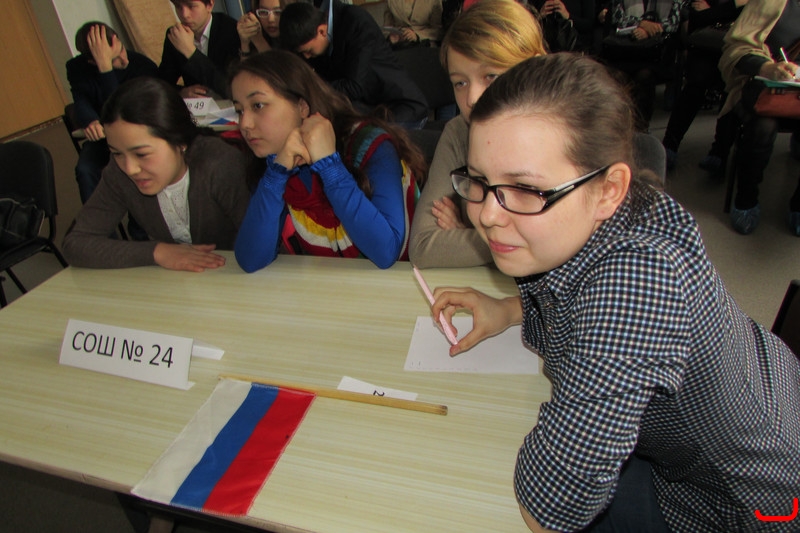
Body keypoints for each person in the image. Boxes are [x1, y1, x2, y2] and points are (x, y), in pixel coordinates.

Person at [426, 52, 800, 532]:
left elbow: (552, 507)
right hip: (762, 399)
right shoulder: (602, 212)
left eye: (524, 188)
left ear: (608, 189)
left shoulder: (638, 283)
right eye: (479, 180)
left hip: (744, 504)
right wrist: (509, 308)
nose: (488, 215)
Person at [229, 50, 427, 272]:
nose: (244, 124)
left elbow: (386, 252)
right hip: (331, 285)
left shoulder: (369, 144)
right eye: (239, 110)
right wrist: (276, 175)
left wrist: (329, 166)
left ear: (302, 107)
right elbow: (251, 260)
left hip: (401, 284)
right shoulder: (274, 161)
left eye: (258, 105)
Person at [408, 0, 547, 268]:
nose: (472, 98)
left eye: (491, 76)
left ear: (533, 70)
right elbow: (424, 246)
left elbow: (566, 240)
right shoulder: (460, 131)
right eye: (460, 82)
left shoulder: (567, 135)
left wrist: (468, 235)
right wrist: (499, 241)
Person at [63, 77, 251, 271]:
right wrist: (157, 252)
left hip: (238, 275)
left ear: (180, 142)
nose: (130, 168)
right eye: (117, 153)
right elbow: (75, 243)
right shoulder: (119, 172)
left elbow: (265, 245)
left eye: (142, 154)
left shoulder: (221, 164)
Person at [279, 0, 429, 128]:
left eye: (309, 51)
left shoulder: (355, 22)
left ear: (322, 31)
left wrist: (313, 88)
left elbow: (354, 86)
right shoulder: (315, 29)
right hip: (368, 110)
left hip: (401, 108)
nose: (307, 57)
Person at [718, 0, 800, 235]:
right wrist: (766, 68)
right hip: (764, 86)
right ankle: (746, 198)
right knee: (763, 125)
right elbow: (736, 47)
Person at [66, 22, 157, 208]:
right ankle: (97, 223)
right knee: (85, 169)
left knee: (131, 170)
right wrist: (90, 120)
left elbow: (122, 111)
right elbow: (80, 99)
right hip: (106, 139)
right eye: (114, 59)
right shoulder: (76, 67)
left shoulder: (141, 66)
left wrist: (106, 68)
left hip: (140, 137)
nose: (124, 59)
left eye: (121, 49)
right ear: (92, 62)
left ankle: (139, 224)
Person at [661, 0, 745, 171]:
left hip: (738, 51)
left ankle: (720, 151)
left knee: (732, 88)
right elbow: (697, 17)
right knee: (696, 84)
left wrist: (714, 11)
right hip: (707, 46)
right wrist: (734, 5)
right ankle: (670, 144)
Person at [598, 0, 683, 131]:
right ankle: (619, 127)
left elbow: (673, 24)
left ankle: (641, 127)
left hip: (656, 53)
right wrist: (641, 24)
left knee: (645, 76)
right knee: (618, 77)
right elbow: (617, 18)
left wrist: (651, 30)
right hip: (626, 49)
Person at [158, 0, 240, 98]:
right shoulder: (176, 35)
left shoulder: (232, 31)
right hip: (196, 106)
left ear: (210, 5)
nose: (184, 15)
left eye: (191, 6)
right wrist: (181, 93)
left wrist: (191, 52)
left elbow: (232, 89)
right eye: (178, 6)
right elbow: (162, 83)